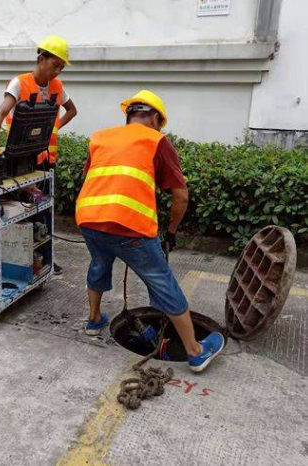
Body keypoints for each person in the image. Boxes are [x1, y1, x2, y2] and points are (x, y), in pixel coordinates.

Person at [75, 90, 225, 372]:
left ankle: (94, 321)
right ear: (155, 118)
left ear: (129, 116)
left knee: (98, 264)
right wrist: (171, 231)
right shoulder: (157, 140)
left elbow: (93, 179)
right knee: (161, 280)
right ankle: (195, 351)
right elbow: (180, 196)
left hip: (88, 218)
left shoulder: (100, 137)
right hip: (130, 229)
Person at [0, 35, 78, 275]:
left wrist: (52, 129)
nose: (58, 71)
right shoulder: (19, 83)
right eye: (55, 65)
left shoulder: (58, 87)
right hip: (20, 162)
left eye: (62, 67)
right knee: (21, 210)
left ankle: (45, 260)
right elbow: (0, 113)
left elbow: (72, 110)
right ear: (42, 59)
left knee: (44, 210)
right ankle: (20, 259)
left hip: (46, 161)